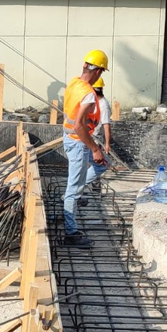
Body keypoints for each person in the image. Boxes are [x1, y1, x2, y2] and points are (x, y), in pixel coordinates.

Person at [60, 49, 110, 248]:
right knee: (73, 188)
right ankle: (71, 233)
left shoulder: (74, 83)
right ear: (98, 71)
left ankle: (70, 202)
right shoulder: (88, 94)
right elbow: (79, 125)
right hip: (78, 142)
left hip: (72, 139)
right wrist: (95, 149)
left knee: (103, 165)